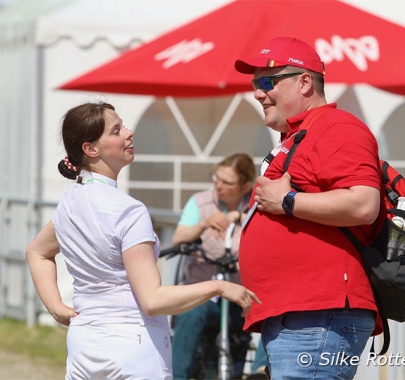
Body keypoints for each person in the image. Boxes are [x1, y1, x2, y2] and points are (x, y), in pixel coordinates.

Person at [25, 101, 260, 380]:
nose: (129, 132)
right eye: (116, 130)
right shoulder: (128, 210)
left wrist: (55, 307)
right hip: (133, 345)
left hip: (84, 343)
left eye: (122, 124)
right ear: (91, 149)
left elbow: (37, 252)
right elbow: (152, 300)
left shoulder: (69, 202)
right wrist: (219, 286)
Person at [234, 37, 386, 379]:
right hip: (303, 315)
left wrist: (287, 201)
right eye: (255, 84)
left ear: (305, 82)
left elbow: (364, 204)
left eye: (267, 82)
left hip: (318, 315)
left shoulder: (336, 126)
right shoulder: (300, 135)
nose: (258, 93)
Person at [170, 153, 267, 379]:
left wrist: (236, 217)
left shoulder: (257, 204)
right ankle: (176, 376)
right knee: (190, 314)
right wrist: (204, 224)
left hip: (242, 292)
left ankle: (260, 372)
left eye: (227, 182)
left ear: (244, 186)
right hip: (204, 292)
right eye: (217, 179)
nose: (218, 186)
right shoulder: (200, 201)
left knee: (271, 313)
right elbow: (178, 238)